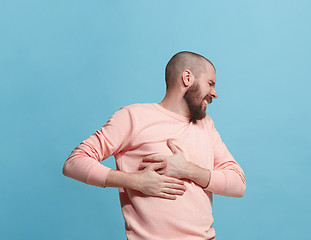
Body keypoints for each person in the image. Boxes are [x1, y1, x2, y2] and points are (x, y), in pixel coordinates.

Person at [63, 51, 246, 240]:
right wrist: (136, 181)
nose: (215, 93)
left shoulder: (206, 125)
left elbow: (238, 184)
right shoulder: (133, 117)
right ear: (187, 77)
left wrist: (189, 170)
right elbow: (74, 163)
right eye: (210, 83)